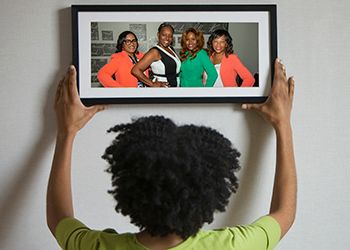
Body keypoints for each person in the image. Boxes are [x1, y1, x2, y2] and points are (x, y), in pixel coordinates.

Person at [47, 59, 296, 249]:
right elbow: (284, 213)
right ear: (212, 193)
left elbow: (58, 219)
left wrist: (66, 133)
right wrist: (282, 124)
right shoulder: (231, 246)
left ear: (127, 187)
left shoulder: (101, 247)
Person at [131, 23, 181, 88]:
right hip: (163, 90)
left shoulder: (170, 48)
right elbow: (135, 70)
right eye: (164, 35)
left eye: (170, 36)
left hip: (175, 88)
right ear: (158, 35)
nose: (167, 38)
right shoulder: (154, 52)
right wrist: (152, 84)